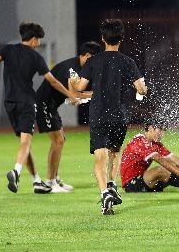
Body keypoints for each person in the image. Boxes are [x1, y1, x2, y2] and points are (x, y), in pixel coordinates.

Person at [0, 22, 78, 194]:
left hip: (9, 102)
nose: (39, 43)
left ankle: (36, 181)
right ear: (33, 40)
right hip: (27, 102)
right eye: (38, 40)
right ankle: (16, 170)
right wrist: (70, 94)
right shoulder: (35, 57)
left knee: (23, 144)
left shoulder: (7, 50)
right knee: (26, 141)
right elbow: (52, 80)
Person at [71, 19, 147, 215]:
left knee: (100, 157)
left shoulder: (93, 61)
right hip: (119, 116)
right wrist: (141, 89)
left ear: (103, 38)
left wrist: (73, 81)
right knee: (115, 151)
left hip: (98, 114)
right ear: (121, 38)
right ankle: (112, 184)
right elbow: (141, 89)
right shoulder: (128, 61)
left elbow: (80, 88)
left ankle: (105, 192)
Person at [35, 41, 102, 193]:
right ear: (87, 56)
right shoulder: (72, 68)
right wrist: (98, 94)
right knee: (58, 140)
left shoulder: (80, 67)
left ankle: (55, 179)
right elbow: (74, 94)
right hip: (43, 104)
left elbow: (76, 94)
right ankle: (50, 182)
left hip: (51, 106)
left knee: (60, 140)